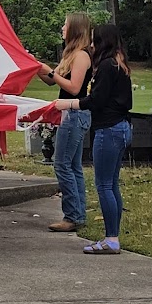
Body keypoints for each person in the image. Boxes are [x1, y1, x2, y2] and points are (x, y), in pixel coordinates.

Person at [55, 22, 132, 255]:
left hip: (108, 130)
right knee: (112, 184)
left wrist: (67, 103)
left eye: (94, 40)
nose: (91, 44)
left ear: (102, 41)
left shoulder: (107, 66)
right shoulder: (120, 64)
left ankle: (111, 238)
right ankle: (113, 235)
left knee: (104, 185)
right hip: (121, 127)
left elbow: (95, 100)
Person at [36, 13, 93, 232]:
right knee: (73, 166)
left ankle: (72, 216)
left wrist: (49, 71)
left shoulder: (81, 56)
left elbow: (74, 88)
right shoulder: (70, 54)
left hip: (74, 114)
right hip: (70, 115)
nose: (62, 28)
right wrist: (38, 68)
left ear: (75, 29)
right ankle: (77, 215)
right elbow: (52, 81)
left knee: (62, 164)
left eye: (65, 25)